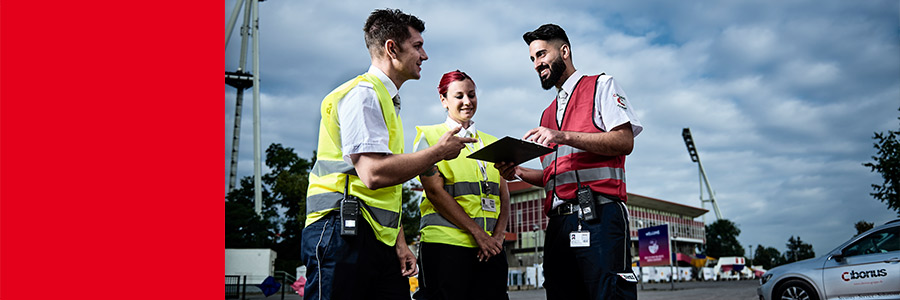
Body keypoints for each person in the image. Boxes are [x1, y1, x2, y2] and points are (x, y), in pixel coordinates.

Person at [301, 9, 477, 300]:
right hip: (341, 231)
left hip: (370, 236)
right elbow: (373, 174)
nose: (425, 55)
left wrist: (400, 244)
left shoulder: (385, 100)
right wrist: (438, 152)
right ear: (392, 49)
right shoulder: (363, 95)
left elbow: (386, 189)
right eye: (417, 46)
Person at [496, 24, 643, 300]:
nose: (537, 64)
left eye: (541, 54)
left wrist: (562, 135)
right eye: (532, 59)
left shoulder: (601, 85)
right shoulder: (547, 114)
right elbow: (554, 177)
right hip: (559, 224)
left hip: (599, 215)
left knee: (607, 293)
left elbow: (625, 142)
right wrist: (518, 172)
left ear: (564, 51)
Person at [412, 70, 510, 300]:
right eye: (459, 96)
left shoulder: (493, 142)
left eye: (472, 94)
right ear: (444, 100)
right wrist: (478, 234)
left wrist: (498, 236)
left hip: (489, 248)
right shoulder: (430, 137)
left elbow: (503, 194)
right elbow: (435, 192)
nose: (467, 101)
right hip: (446, 245)